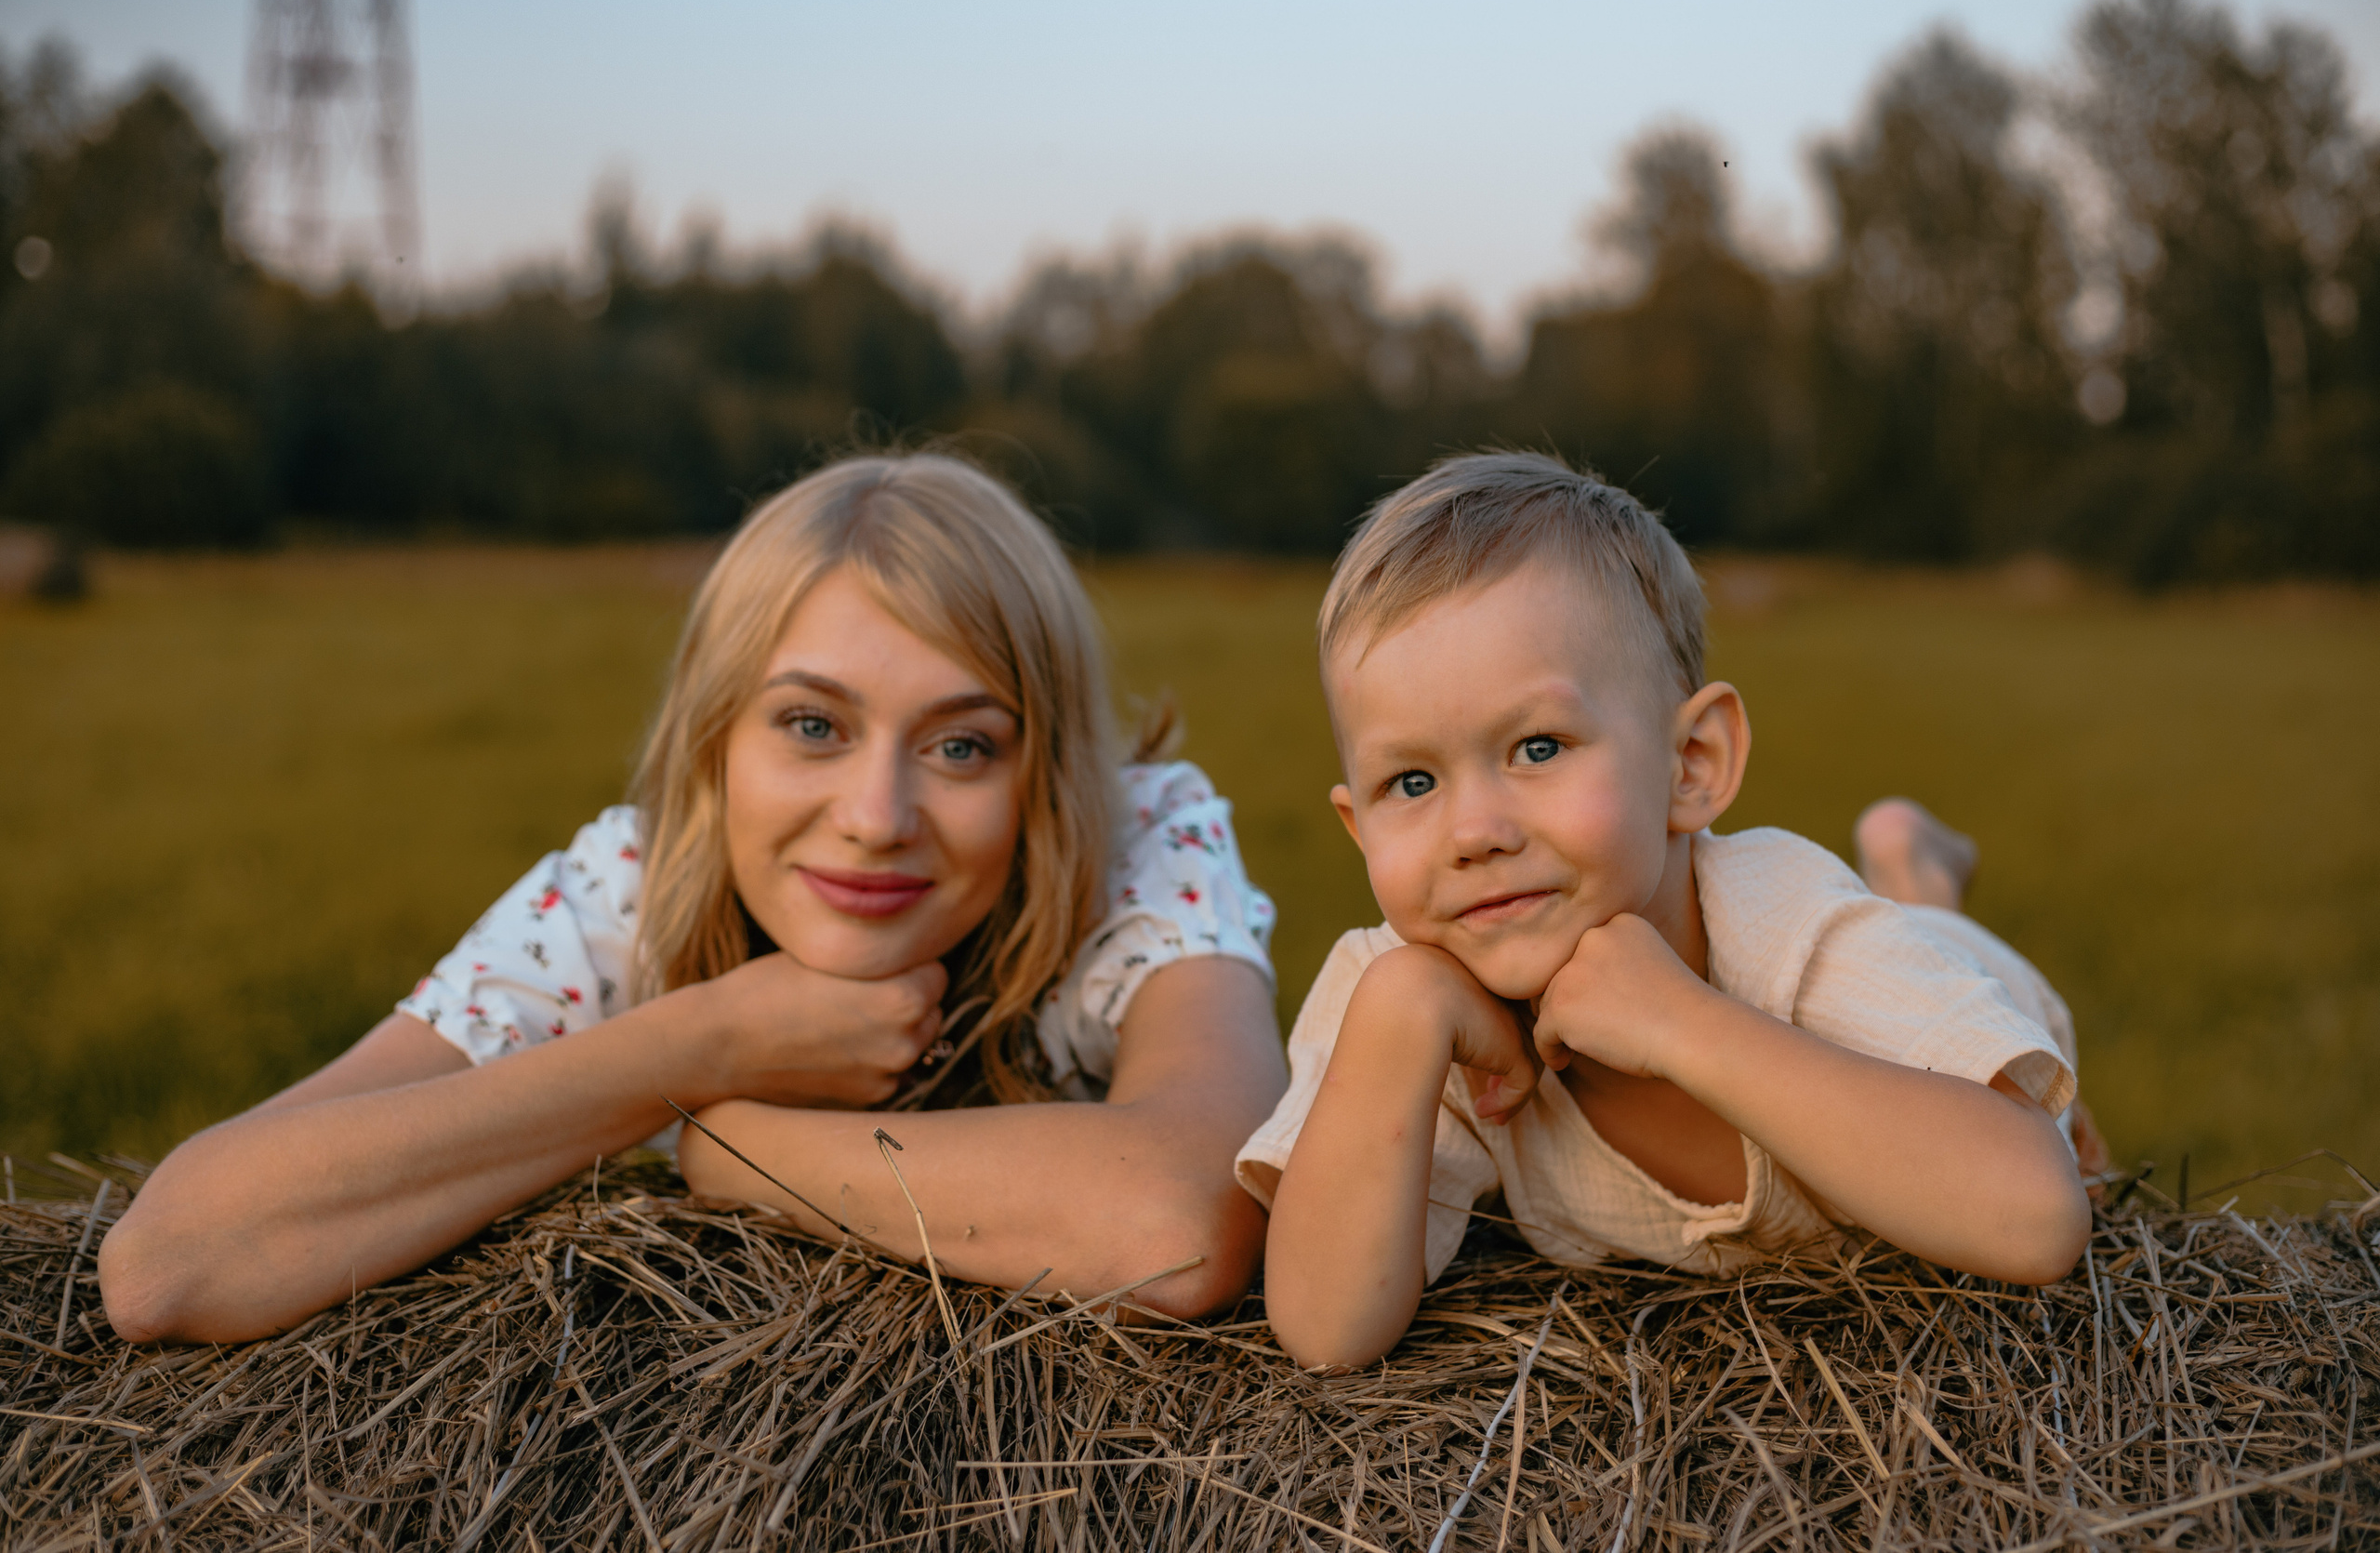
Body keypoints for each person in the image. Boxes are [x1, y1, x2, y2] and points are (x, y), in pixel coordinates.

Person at [101, 453, 1289, 1345]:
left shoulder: (1141, 845)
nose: (877, 816)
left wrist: (736, 1146)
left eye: (963, 747)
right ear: (714, 741)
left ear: (1051, 773)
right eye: (812, 726)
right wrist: (693, 1041)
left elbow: (1182, 1224)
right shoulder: (624, 893)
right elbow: (173, 1262)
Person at [1243, 452, 2096, 1370]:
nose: (1473, 832)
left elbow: (2038, 1220)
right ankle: (1903, 862)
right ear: (1358, 826)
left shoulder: (1793, 930)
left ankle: (1912, 878)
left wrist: (1679, 1022)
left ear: (1690, 765)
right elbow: (1324, 1333)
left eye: (1536, 747)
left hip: (1934, 980)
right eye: (1411, 781)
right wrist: (1401, 1016)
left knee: (2042, 1096)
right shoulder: (1399, 993)